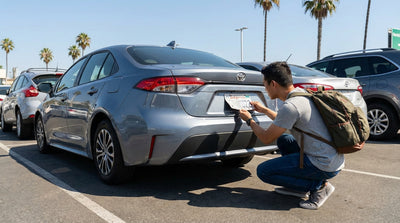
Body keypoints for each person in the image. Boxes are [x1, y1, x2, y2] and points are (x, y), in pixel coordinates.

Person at [239, 61, 343, 210]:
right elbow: (285, 120)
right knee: (285, 139)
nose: (265, 89)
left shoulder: (291, 106)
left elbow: (267, 137)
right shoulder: (302, 95)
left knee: (263, 171)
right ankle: (298, 188)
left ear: (273, 84)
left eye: (265, 85)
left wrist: (249, 120)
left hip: (323, 164)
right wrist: (265, 110)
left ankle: (319, 187)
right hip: (332, 157)